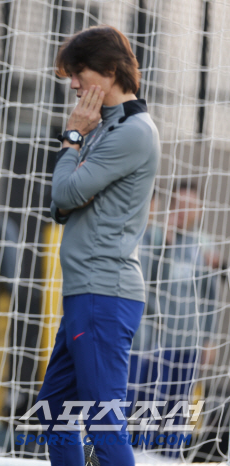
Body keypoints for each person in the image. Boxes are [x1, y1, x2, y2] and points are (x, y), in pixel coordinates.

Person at [36, 26, 160, 466]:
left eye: (78, 73)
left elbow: (66, 195)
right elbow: (62, 207)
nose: (72, 84)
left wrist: (71, 137)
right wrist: (80, 143)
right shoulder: (105, 128)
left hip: (103, 293)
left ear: (109, 72)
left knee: (104, 425)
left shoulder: (132, 132)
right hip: (86, 294)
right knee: (52, 417)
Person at [128, 180, 218, 454]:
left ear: (199, 210)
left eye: (189, 206)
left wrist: (209, 339)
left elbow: (210, 298)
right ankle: (137, 455)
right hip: (156, 343)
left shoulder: (204, 247)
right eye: (177, 205)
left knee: (178, 409)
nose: (182, 211)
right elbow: (145, 283)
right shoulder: (154, 238)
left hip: (188, 345)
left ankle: (169, 458)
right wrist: (164, 246)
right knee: (147, 407)